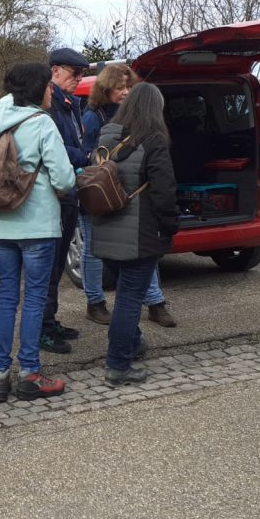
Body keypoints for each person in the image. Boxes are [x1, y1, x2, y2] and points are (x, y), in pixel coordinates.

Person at [0, 62, 76, 402]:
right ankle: (29, 374)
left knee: (6, 298)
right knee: (33, 299)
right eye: (49, 86)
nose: (53, 91)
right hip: (35, 225)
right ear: (39, 90)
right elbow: (65, 179)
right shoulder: (41, 124)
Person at [92, 82, 179, 387]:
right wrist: (171, 226)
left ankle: (132, 342)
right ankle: (118, 366)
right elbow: (164, 191)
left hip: (105, 230)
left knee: (124, 294)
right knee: (130, 299)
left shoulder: (106, 135)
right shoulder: (154, 140)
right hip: (139, 234)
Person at [79, 64, 176, 328]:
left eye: (128, 87)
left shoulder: (137, 118)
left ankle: (155, 302)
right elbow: (91, 159)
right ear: (105, 90)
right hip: (102, 195)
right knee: (96, 252)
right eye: (119, 88)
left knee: (142, 254)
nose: (125, 92)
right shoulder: (94, 117)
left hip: (129, 198)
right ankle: (95, 302)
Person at [40, 47, 90, 354]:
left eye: (82, 74)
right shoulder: (49, 105)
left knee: (58, 264)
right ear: (56, 71)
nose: (79, 79)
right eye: (76, 74)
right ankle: (43, 328)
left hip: (68, 193)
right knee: (48, 264)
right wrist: (84, 156)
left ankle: (50, 319)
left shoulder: (70, 104)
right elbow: (53, 147)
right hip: (55, 194)